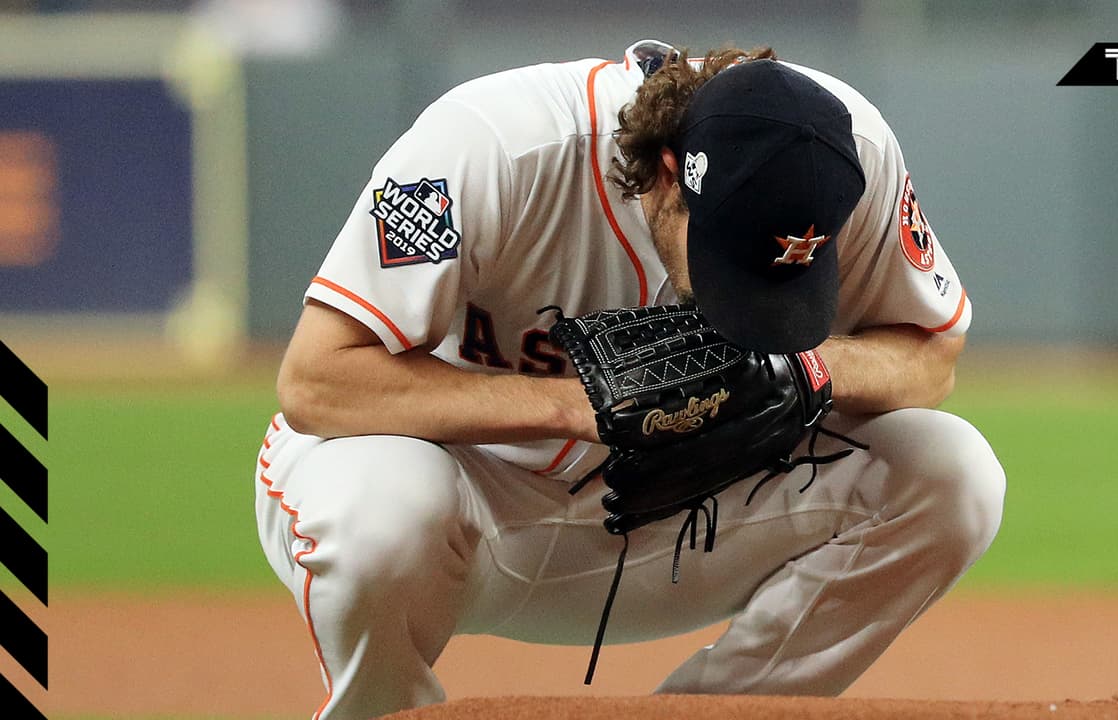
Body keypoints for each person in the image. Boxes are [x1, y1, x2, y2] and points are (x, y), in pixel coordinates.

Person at [254, 39, 1006, 720]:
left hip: (677, 525)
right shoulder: (496, 144)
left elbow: (930, 356)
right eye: (730, 263)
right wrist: (575, 403)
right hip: (467, 505)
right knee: (378, 513)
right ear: (670, 174)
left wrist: (800, 367)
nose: (749, 297)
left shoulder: (847, 151)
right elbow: (318, 381)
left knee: (953, 474)